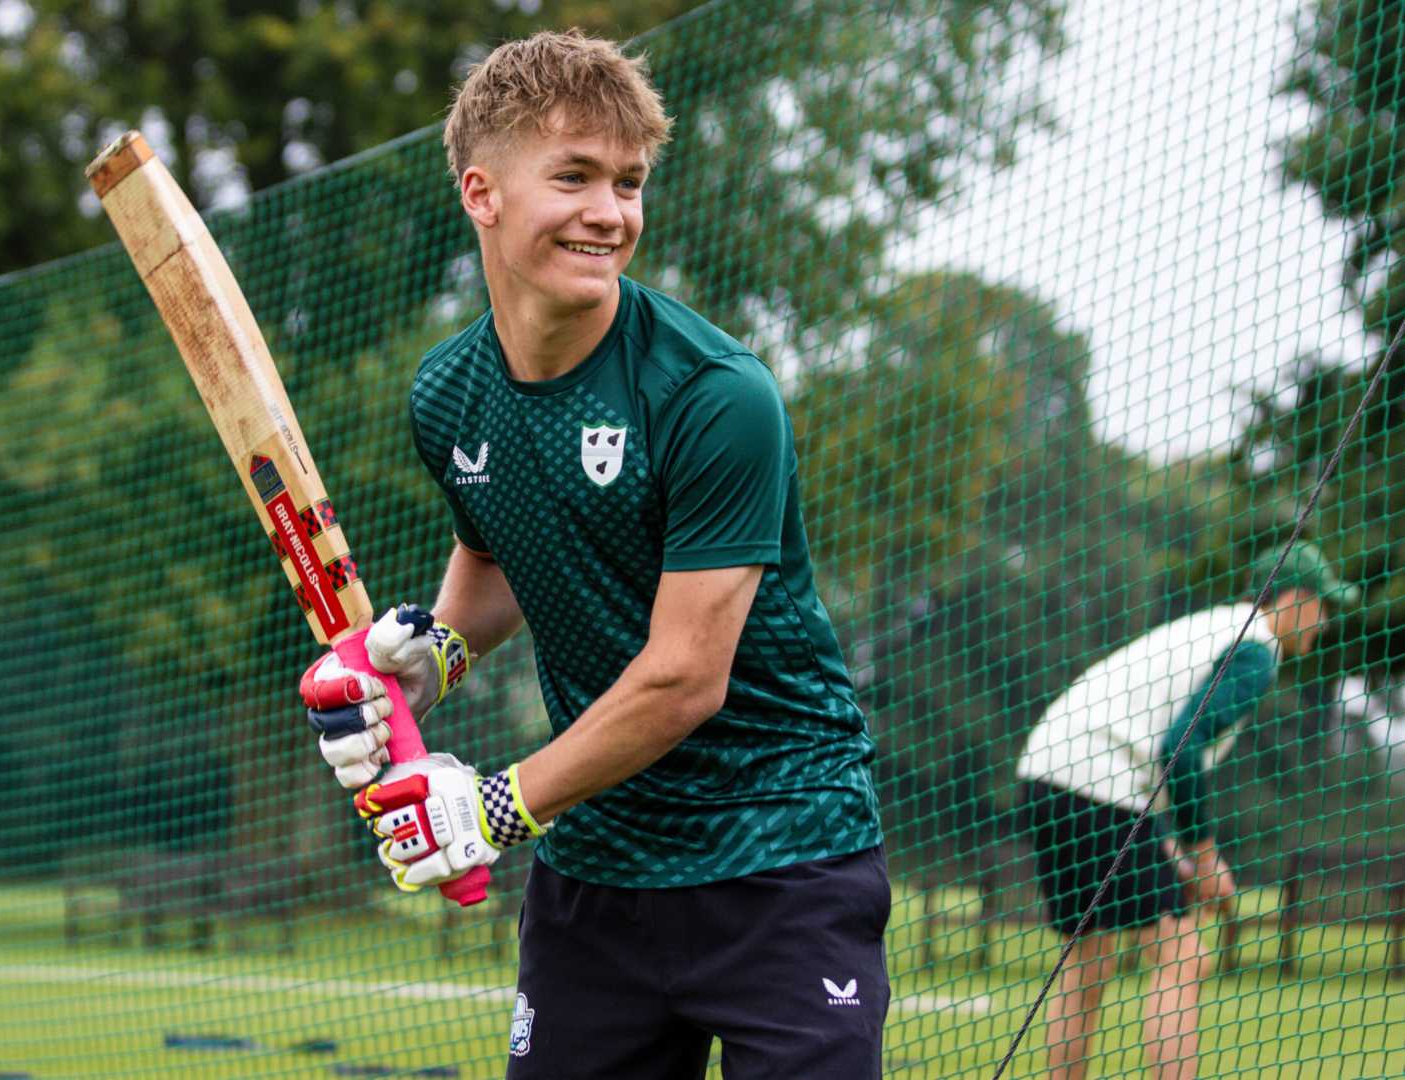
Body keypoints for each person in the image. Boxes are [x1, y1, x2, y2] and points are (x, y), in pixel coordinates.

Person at [296, 29, 889, 1079]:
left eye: (627, 182)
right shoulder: (447, 394)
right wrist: (429, 661)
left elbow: (681, 678)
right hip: (598, 872)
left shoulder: (714, 395)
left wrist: (490, 805)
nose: (610, 213)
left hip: (780, 856)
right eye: (572, 177)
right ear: (481, 193)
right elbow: (494, 562)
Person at [1015, 540, 1358, 1080]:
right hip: (1099, 785)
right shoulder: (1257, 649)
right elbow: (1180, 746)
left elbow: (1149, 745)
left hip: (1045, 776)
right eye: (1323, 605)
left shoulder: (1214, 626)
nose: (1326, 621)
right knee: (1182, 957)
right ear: (1294, 599)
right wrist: (1204, 855)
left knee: (1087, 965)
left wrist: (1167, 845)